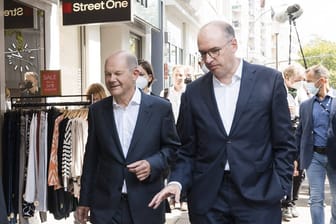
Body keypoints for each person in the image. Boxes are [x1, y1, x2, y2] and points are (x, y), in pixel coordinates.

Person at [149, 20, 296, 224]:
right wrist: (177, 181)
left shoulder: (268, 81)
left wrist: (280, 186)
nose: (208, 59)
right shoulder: (193, 92)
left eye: (214, 51)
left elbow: (284, 142)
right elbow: (186, 149)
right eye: (202, 53)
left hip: (258, 197)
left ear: (233, 44)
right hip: (208, 198)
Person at [75, 50, 180, 224]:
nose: (111, 79)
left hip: (146, 205)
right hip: (106, 208)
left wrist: (152, 164)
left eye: (117, 73)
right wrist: (84, 201)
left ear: (135, 74)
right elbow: (91, 159)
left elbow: (173, 149)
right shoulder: (97, 111)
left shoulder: (160, 108)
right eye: (107, 74)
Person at [296, 64, 336, 224]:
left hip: (334, 157)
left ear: (322, 80)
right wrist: (296, 157)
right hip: (314, 157)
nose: (307, 84)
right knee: (316, 198)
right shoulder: (305, 105)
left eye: (309, 81)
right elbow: (300, 132)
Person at [281, 64, 307, 221]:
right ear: (287, 77)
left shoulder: (302, 91)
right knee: (289, 169)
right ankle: (285, 204)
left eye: (301, 80)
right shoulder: (279, 91)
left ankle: (293, 202)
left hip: (300, 132)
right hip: (285, 132)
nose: (299, 82)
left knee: (300, 170)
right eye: (297, 79)